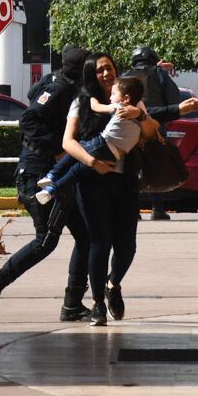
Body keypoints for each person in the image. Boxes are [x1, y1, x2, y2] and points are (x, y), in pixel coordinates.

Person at [0, 45, 93, 322]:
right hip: (39, 174)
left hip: (54, 174)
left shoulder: (59, 83)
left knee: (86, 237)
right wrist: (59, 146)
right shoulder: (61, 88)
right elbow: (28, 118)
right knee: (45, 241)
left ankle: (73, 304)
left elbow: (32, 95)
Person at [62, 53, 158, 326]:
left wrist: (140, 114)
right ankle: (97, 304)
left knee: (127, 246)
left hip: (125, 181)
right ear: (92, 76)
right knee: (99, 243)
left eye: (109, 68)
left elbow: (152, 131)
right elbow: (68, 142)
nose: (106, 74)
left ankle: (113, 284)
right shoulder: (82, 103)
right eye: (99, 70)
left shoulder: (132, 101)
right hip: (92, 182)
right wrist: (92, 162)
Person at [35, 76, 150, 204]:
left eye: (113, 94)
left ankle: (52, 175)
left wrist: (92, 95)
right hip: (115, 155)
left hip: (103, 143)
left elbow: (95, 107)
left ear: (126, 98)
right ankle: (51, 190)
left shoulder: (119, 107)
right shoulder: (140, 116)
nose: (110, 98)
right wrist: (141, 113)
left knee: (78, 151)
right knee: (78, 170)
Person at [122, 46, 198, 220]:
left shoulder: (125, 75)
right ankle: (158, 208)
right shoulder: (159, 74)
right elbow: (173, 97)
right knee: (155, 163)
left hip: (129, 127)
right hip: (154, 123)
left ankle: (134, 208)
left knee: (131, 166)